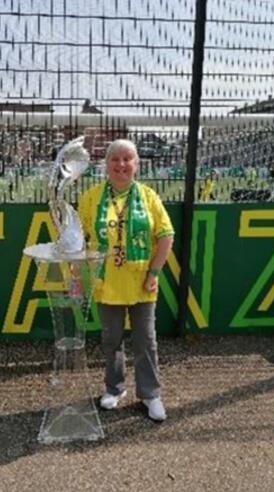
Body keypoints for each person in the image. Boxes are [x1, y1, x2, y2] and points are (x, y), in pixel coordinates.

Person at [78, 139, 174, 422]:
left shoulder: (148, 196)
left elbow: (165, 236)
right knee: (111, 340)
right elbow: (78, 240)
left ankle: (150, 394)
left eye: (127, 159)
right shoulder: (91, 198)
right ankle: (114, 388)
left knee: (146, 341)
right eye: (115, 160)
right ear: (106, 165)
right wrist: (77, 275)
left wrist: (153, 273)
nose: (121, 165)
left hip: (142, 283)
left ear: (136, 165)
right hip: (106, 284)